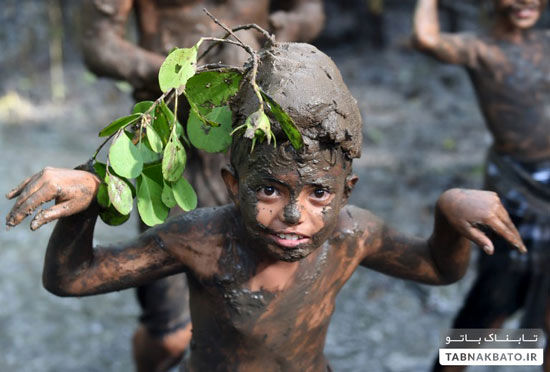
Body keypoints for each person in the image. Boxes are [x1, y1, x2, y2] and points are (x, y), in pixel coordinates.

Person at [5, 42, 525, 371]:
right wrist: (88, 204)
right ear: (233, 185)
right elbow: (72, 279)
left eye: (319, 192)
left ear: (348, 191)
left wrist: (450, 213)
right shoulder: (201, 240)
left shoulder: (351, 235)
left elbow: (437, 266)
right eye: (270, 190)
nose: (295, 216)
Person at [81, 1, 325, 370]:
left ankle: (451, 356)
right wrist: (182, 79)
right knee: (171, 334)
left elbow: (310, 11)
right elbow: (99, 44)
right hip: (172, 146)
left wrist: (284, 29)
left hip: (257, 138)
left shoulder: (356, 234)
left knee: (265, 309)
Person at [412, 0, 550, 371]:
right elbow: (427, 38)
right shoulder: (481, 48)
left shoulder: (546, 42)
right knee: (490, 310)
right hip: (518, 190)